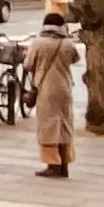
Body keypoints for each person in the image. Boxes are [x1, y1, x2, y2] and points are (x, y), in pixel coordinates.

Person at [26, 14, 78, 176]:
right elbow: (75, 58)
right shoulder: (67, 43)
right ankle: (65, 163)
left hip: (46, 89)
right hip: (65, 88)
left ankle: (52, 164)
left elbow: (28, 64)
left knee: (48, 126)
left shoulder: (38, 43)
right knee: (64, 125)